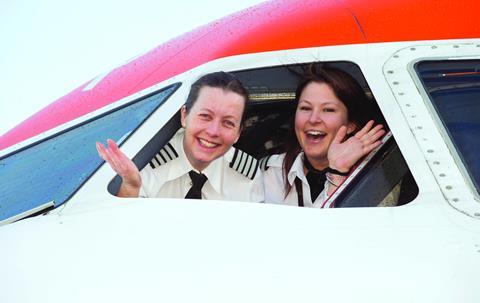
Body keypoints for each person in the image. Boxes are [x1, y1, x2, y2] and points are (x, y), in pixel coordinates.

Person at [96, 72, 263, 202]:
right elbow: (122, 229)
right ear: (184, 116)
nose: (213, 131)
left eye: (228, 123)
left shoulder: (247, 175)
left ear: (238, 133)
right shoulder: (146, 162)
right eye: (205, 116)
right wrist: (131, 186)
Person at [262, 65, 385, 207]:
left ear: (351, 124)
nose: (313, 119)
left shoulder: (376, 178)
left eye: (328, 110)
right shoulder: (269, 173)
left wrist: (338, 172)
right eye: (305, 108)